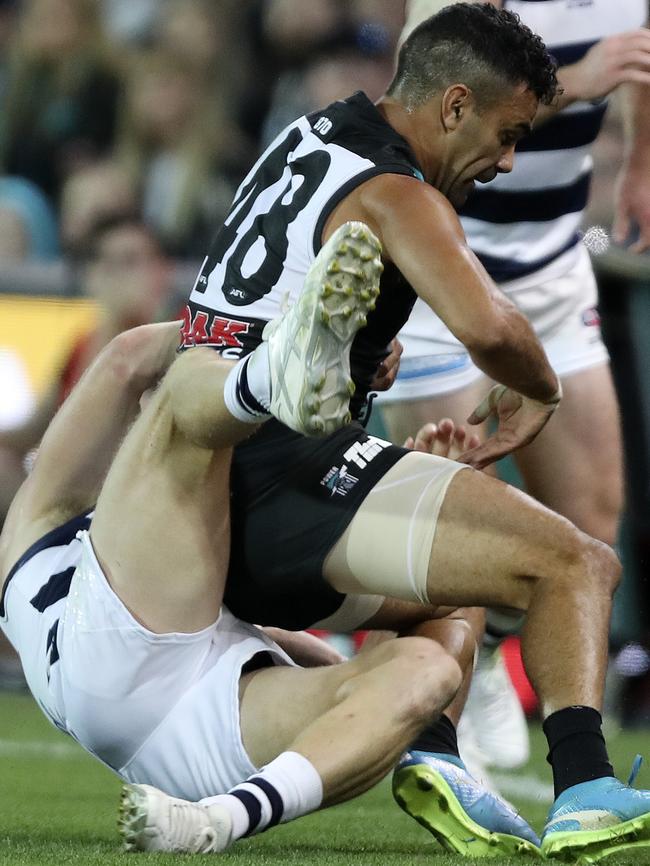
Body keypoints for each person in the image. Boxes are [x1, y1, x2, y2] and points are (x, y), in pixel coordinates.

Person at [178, 4, 650, 861]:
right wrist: (538, 388)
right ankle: (586, 789)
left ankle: (438, 759)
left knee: (455, 576)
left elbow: (257, 304)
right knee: (580, 560)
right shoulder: (400, 189)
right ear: (455, 104)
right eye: (507, 135)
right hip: (281, 490)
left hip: (197, 496)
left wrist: (363, 358)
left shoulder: (312, 136)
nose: (508, 161)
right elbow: (491, 328)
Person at [0, 225, 469, 856]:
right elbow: (130, 365)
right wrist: (279, 331)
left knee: (426, 671)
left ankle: (221, 820)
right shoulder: (57, 524)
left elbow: (353, 682)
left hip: (183, 745)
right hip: (127, 661)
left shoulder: (45, 523)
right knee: (186, 401)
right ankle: (273, 369)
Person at [377, 0, 650, 773]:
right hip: (444, 249)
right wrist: (577, 81)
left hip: (554, 259)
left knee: (593, 511)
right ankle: (425, 739)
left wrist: (640, 161)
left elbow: (638, 59)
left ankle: (492, 648)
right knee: (459, 504)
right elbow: (425, 85)